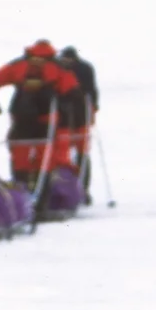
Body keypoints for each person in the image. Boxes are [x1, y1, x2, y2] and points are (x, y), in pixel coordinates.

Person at [0, 39, 81, 190]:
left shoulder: (17, 65)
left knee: (19, 156)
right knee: (46, 158)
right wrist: (64, 109)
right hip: (45, 118)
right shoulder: (57, 67)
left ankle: (20, 191)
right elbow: (73, 93)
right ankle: (42, 199)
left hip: (20, 116)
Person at [56, 45, 100, 203]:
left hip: (80, 116)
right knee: (62, 155)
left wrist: (93, 110)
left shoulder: (85, 69)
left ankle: (83, 189)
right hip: (64, 118)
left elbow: (92, 92)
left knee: (82, 153)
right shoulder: (58, 69)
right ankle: (64, 188)